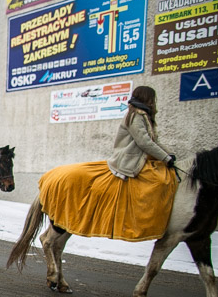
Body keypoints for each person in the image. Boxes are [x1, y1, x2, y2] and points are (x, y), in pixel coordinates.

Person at [38, 85, 177, 241]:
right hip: (129, 161)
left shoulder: (145, 116)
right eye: (152, 99)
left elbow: (154, 141)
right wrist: (165, 158)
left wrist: (169, 154)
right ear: (147, 98)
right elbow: (144, 142)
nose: (154, 102)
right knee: (158, 181)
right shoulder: (135, 115)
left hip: (140, 160)